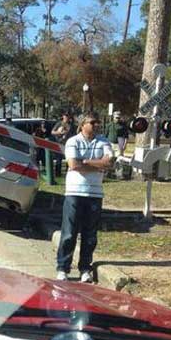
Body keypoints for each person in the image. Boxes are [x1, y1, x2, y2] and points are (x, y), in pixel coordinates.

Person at [56, 114, 113, 283]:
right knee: (69, 233)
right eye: (93, 122)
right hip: (74, 192)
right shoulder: (73, 141)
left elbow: (109, 162)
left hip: (95, 194)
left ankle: (85, 268)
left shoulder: (104, 141)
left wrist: (86, 161)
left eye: (98, 122)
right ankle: (62, 268)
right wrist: (97, 164)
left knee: (90, 234)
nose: (97, 125)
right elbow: (73, 164)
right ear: (82, 125)